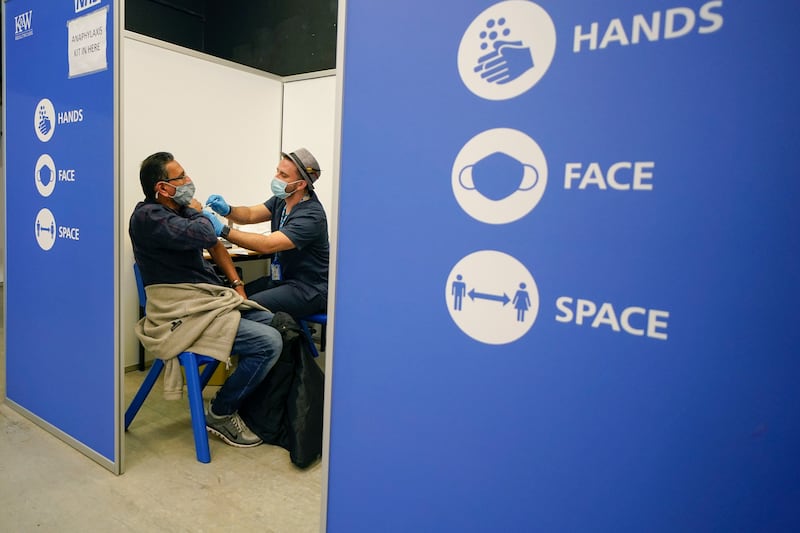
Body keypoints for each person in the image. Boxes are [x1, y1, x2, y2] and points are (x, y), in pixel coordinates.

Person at [129, 151, 283, 448]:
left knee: (275, 323)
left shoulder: (180, 210)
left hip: (209, 300)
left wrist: (237, 285)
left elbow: (213, 242)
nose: (189, 181)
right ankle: (221, 412)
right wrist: (201, 212)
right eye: (181, 177)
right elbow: (204, 231)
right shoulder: (148, 217)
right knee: (269, 342)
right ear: (162, 188)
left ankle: (250, 404)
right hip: (181, 310)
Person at [204, 148, 329, 319]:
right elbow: (249, 215)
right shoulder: (282, 200)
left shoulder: (311, 215)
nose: (276, 178)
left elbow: (268, 245)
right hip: (282, 281)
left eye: (283, 175)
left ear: (301, 184)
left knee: (248, 306)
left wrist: (222, 230)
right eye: (277, 171)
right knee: (231, 297)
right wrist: (227, 210)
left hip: (309, 289)